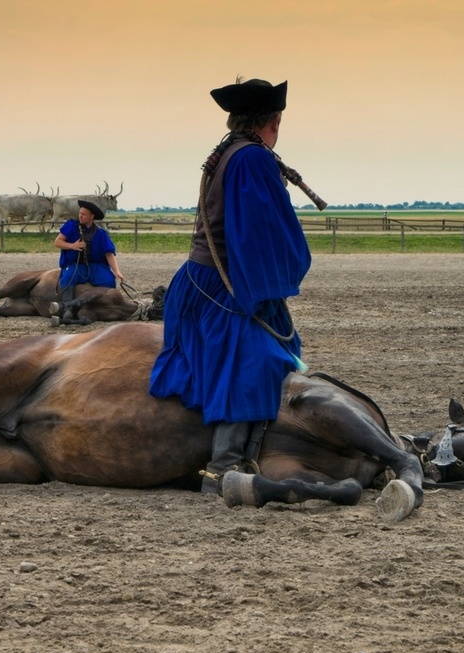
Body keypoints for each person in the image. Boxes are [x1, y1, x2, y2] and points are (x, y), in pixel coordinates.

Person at [148, 77, 311, 496]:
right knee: (254, 361)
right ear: (271, 121)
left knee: (274, 348)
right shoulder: (251, 159)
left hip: (208, 279)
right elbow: (257, 233)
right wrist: (263, 287)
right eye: (279, 121)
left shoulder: (231, 153)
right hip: (223, 285)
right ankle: (224, 466)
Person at [51, 199, 124, 320]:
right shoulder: (71, 226)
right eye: (80, 213)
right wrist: (72, 246)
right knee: (67, 278)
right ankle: (67, 308)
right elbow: (57, 242)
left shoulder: (101, 233)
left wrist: (117, 271)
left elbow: (109, 253)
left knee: (109, 280)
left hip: (95, 266)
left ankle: (103, 306)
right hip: (76, 264)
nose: (80, 216)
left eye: (84, 214)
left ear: (92, 216)